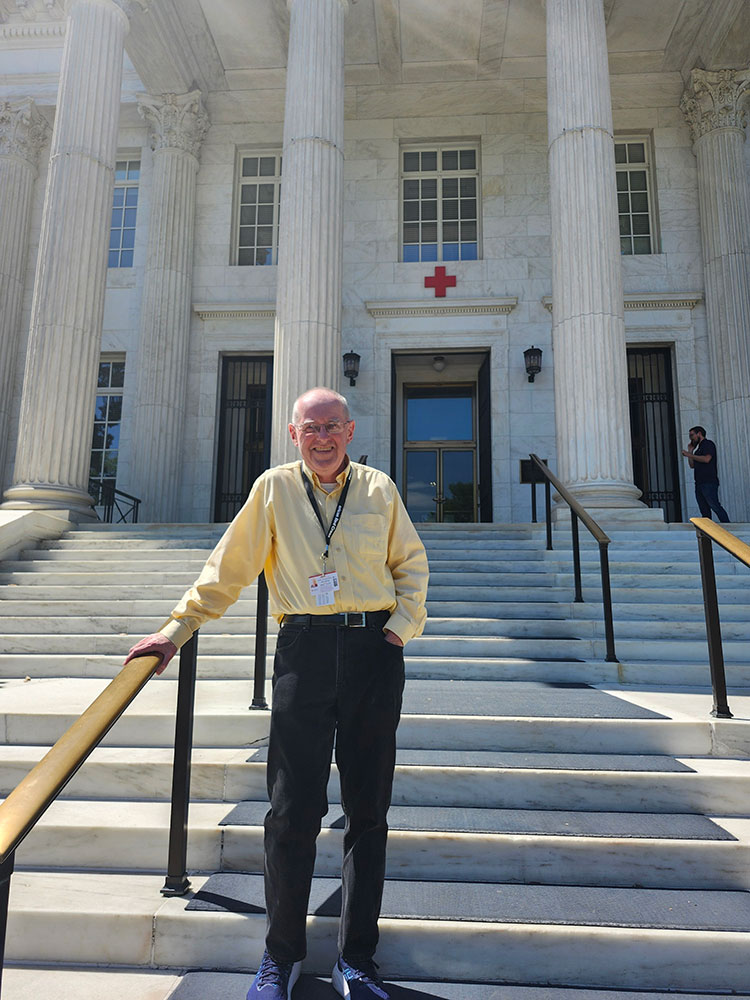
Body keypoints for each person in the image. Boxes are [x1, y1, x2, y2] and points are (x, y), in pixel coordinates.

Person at [125, 386, 429, 1000]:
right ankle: (282, 954)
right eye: (310, 428)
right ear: (294, 435)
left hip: (374, 651)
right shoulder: (272, 489)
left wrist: (399, 630)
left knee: (368, 814)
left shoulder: (379, 488)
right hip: (304, 651)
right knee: (292, 811)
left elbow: (411, 565)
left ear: (350, 431)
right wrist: (175, 630)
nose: (322, 438)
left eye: (332, 427)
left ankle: (357, 961)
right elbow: (227, 569)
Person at [681, 425, 730, 523]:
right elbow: (692, 465)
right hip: (699, 482)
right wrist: (690, 451)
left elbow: (707, 459)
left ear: (699, 434)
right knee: (704, 510)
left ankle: (728, 526)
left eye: (692, 435)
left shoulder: (708, 444)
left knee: (714, 505)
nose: (691, 438)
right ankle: (708, 531)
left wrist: (689, 454)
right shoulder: (698, 449)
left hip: (708, 482)